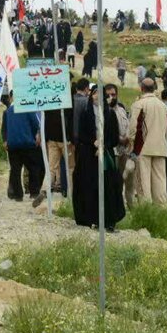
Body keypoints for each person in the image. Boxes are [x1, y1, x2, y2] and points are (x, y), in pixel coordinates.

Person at [72, 84, 126, 229]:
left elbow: (114, 137)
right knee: (89, 187)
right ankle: (90, 219)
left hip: (105, 154)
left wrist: (103, 146)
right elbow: (81, 135)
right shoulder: (86, 112)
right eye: (94, 93)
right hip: (89, 155)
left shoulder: (110, 114)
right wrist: (93, 143)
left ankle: (109, 221)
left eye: (99, 94)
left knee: (108, 187)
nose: (96, 96)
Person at [127, 78, 167, 204]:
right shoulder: (163, 105)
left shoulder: (139, 104)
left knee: (143, 183)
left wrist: (131, 144)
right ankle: (161, 211)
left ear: (141, 88)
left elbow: (133, 128)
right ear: (154, 88)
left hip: (143, 148)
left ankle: (146, 211)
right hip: (161, 147)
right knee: (160, 182)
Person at [1, 92, 43, 202]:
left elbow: (4, 127)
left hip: (13, 145)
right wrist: (36, 136)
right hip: (28, 143)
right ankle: (34, 192)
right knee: (33, 168)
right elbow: (35, 124)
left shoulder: (8, 111)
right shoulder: (27, 108)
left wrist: (6, 140)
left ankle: (18, 195)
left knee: (15, 170)